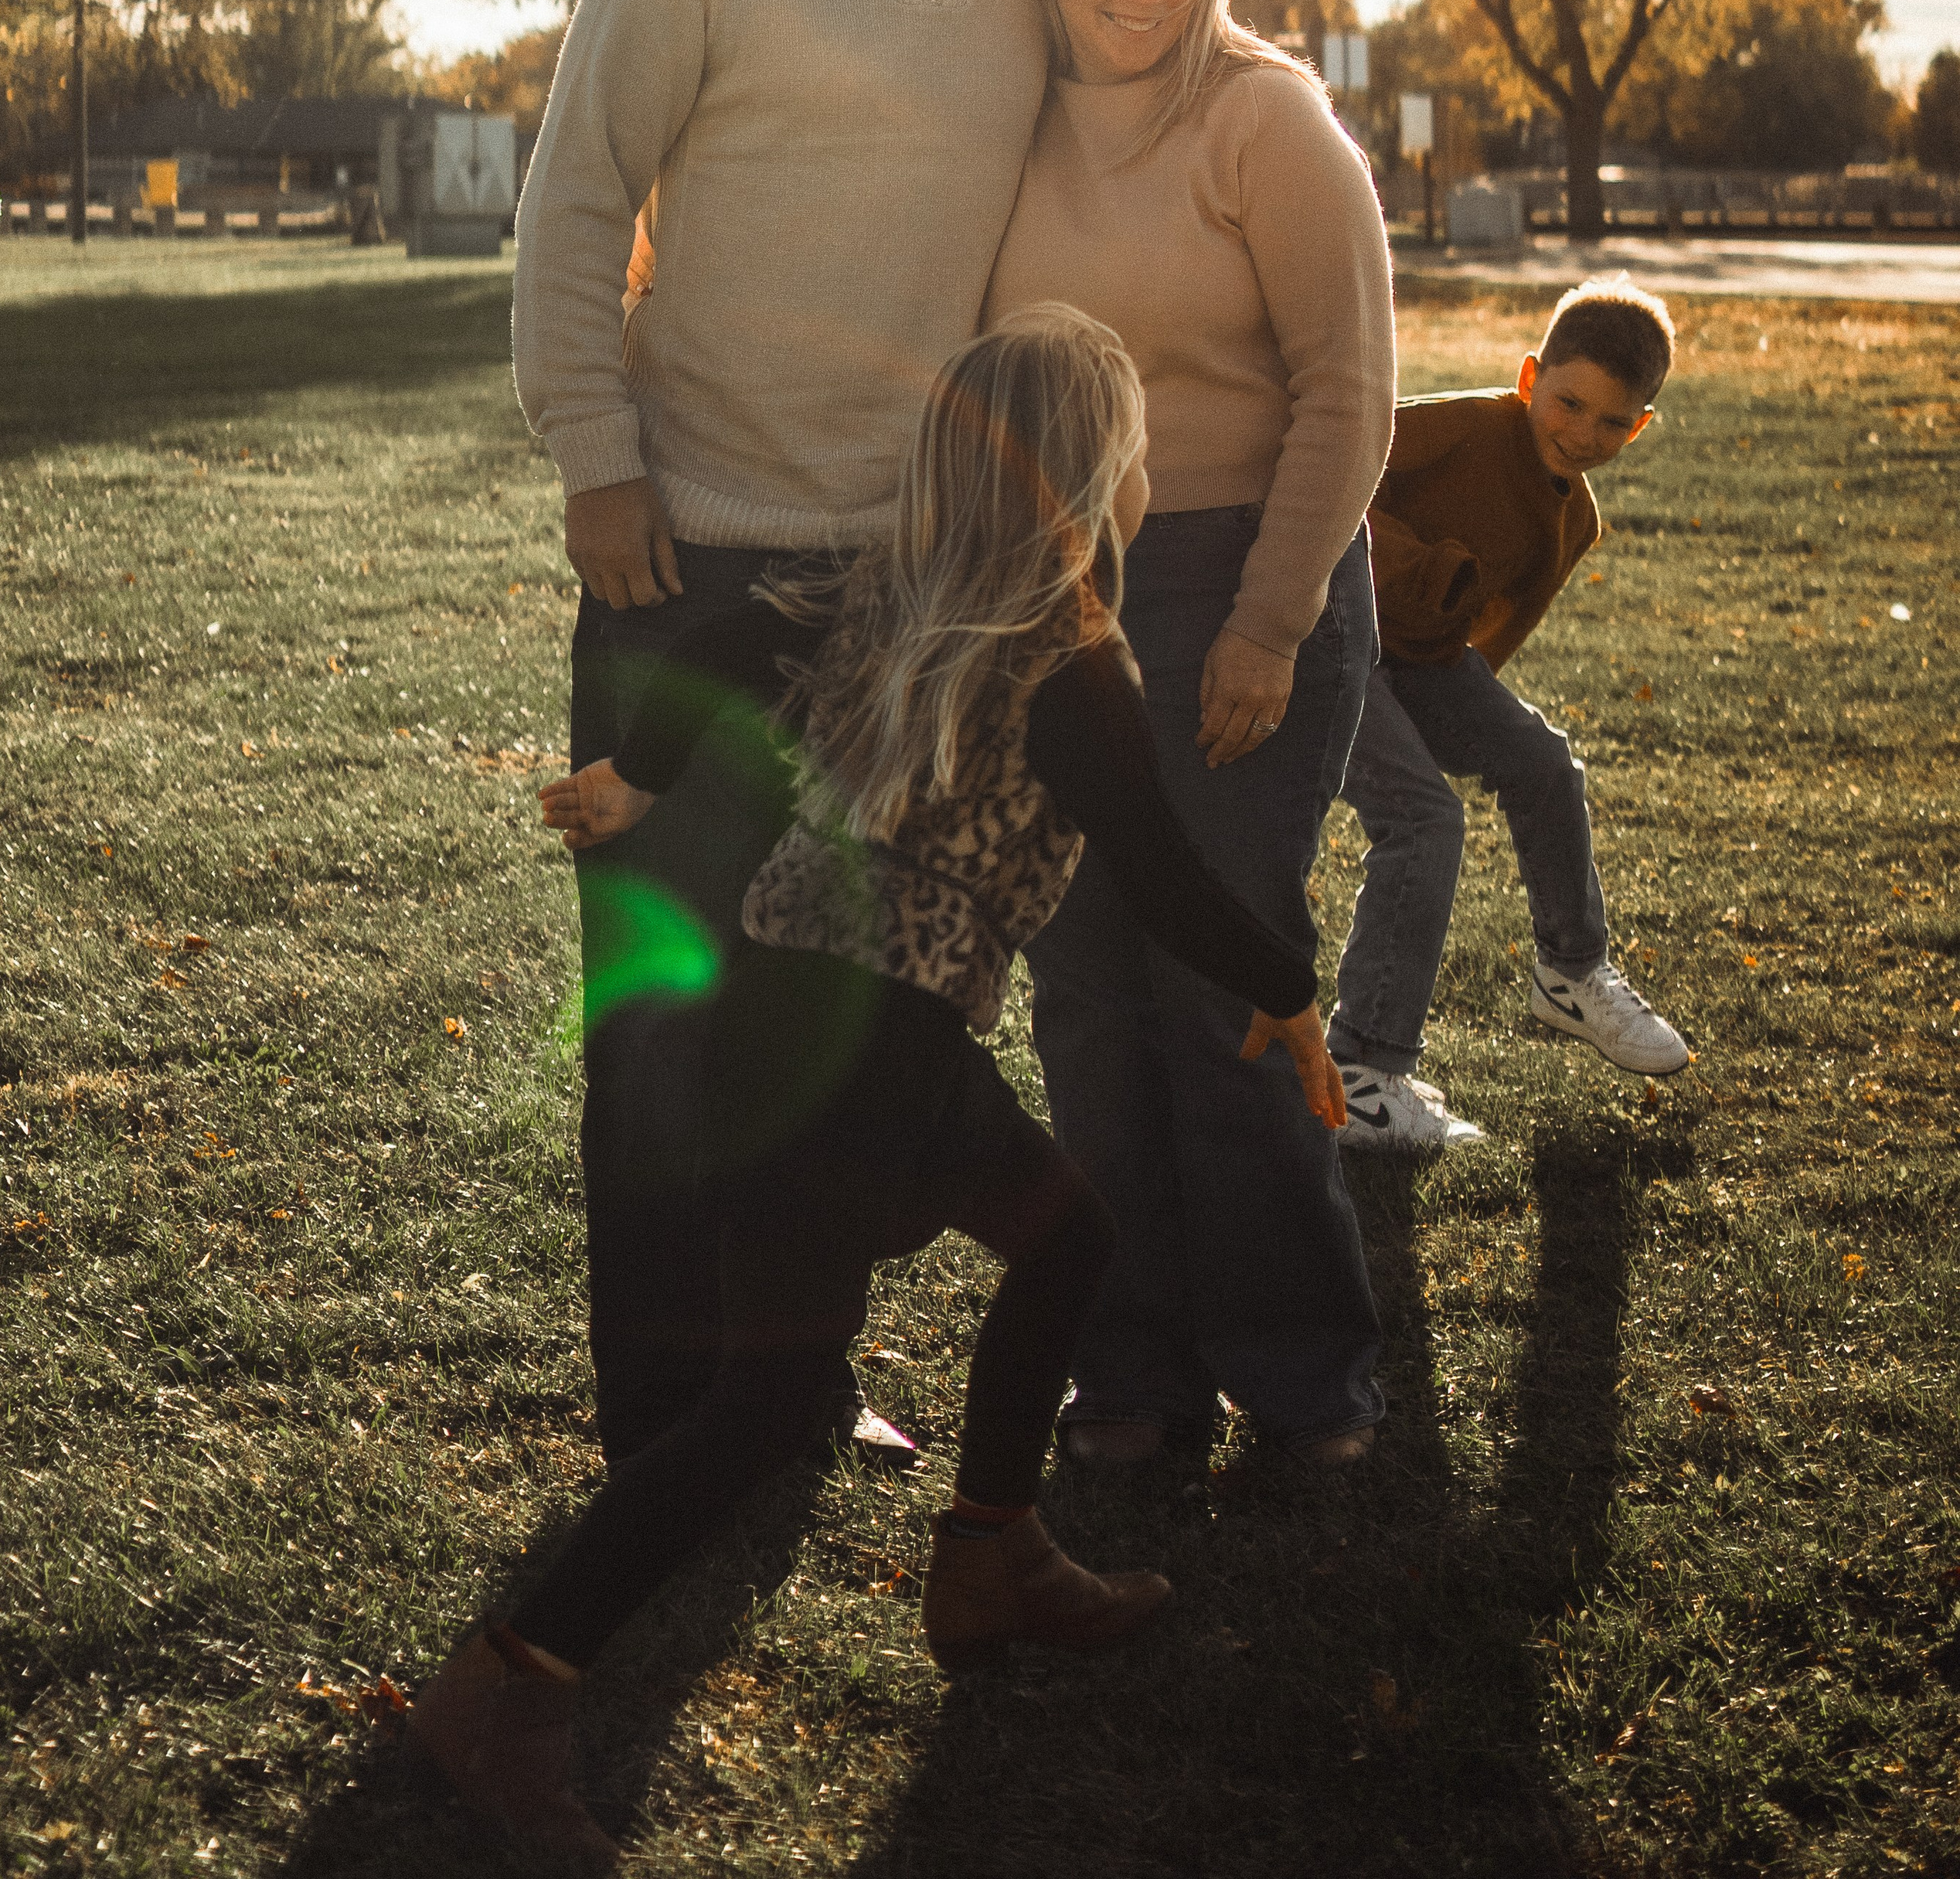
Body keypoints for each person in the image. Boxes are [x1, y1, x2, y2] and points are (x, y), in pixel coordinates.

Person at [410, 311, 1344, 1866]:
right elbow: (1168, 878)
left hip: (797, 1006)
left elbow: (713, 644)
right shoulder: (1069, 663)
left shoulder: (881, 589)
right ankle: (507, 1685)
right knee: (774, 1397)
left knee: (1065, 1243)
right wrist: (1293, 996)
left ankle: (991, 1553)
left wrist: (639, 775)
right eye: (1132, 445)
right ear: (1093, 473)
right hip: (872, 1047)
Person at [511, 0, 1047, 1477]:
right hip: (688, 559)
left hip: (907, 587)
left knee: (818, 1016)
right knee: (665, 1007)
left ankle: (789, 1378)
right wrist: (596, 454)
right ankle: (666, 1418)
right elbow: (575, 201)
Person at [982, 0, 1397, 1465]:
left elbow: (1349, 395)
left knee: (1214, 988)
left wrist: (1267, 624)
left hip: (1243, 581)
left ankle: (1304, 1379)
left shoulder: (1268, 123)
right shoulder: (1001, 122)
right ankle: (1134, 1375)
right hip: (1057, 594)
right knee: (1082, 996)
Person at [1329, 276, 1689, 1151]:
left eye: (1612, 421)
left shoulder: (1574, 524)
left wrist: (1454, 719)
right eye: (1568, 403)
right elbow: (1328, 471)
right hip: (1321, 633)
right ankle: (1364, 1075)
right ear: (1531, 379)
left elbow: (1489, 643)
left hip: (1419, 664)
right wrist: (1409, 568)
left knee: (1542, 761)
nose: (1583, 433)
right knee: (1424, 818)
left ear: (1639, 424)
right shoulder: (1468, 423)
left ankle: (1571, 971)